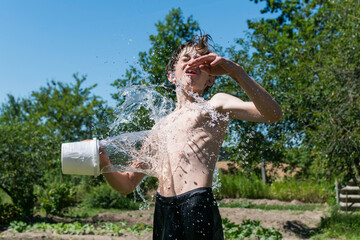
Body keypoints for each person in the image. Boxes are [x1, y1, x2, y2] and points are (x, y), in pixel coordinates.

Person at [99, 34, 282, 240]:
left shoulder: (214, 105)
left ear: (211, 78)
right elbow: (127, 184)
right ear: (171, 75)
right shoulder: (159, 127)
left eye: (202, 62)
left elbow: (272, 114)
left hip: (197, 204)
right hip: (164, 210)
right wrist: (104, 163)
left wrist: (236, 72)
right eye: (185, 59)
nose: (192, 63)